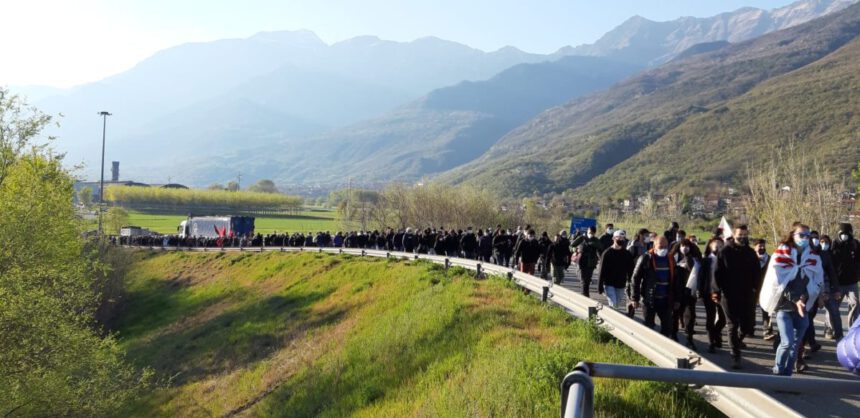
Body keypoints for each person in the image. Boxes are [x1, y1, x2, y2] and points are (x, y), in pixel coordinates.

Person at [759, 224, 824, 376]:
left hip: (803, 309)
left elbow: (816, 281)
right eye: (801, 235)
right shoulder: (781, 254)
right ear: (792, 235)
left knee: (796, 345)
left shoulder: (813, 257)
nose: (805, 238)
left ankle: (787, 375)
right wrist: (796, 300)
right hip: (784, 308)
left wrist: (811, 297)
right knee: (787, 342)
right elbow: (779, 284)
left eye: (808, 236)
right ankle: (778, 370)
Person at [714, 225, 759, 369]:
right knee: (732, 324)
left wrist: (755, 290)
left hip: (747, 294)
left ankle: (738, 340)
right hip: (728, 295)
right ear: (734, 235)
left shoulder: (751, 253)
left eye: (745, 234)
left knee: (748, 325)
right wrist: (717, 291)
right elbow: (716, 273)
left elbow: (757, 274)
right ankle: (735, 355)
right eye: (740, 234)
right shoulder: (724, 252)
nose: (742, 237)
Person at [631, 236, 684, 339]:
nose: (663, 249)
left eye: (665, 246)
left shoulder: (670, 258)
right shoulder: (646, 258)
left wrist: (677, 299)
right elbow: (635, 278)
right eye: (661, 246)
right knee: (649, 326)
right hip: (650, 299)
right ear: (654, 245)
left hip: (666, 299)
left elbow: (676, 281)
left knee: (668, 327)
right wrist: (634, 297)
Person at [829, 223, 860, 341]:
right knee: (834, 307)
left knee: (855, 303)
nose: (844, 236)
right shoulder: (834, 245)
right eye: (842, 234)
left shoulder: (855, 244)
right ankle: (830, 328)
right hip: (838, 282)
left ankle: (852, 329)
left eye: (847, 234)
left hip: (852, 282)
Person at [697, 238, 727, 353]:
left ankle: (716, 332)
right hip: (708, 292)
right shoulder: (706, 260)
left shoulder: (726, 259)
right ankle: (711, 342)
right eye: (716, 245)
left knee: (723, 318)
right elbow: (701, 277)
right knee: (710, 317)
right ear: (710, 246)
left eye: (721, 245)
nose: (718, 247)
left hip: (722, 293)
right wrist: (699, 291)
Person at [597, 230, 634, 310]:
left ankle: (608, 317)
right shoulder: (607, 253)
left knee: (616, 305)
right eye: (618, 237)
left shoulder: (627, 254)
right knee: (613, 304)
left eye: (622, 238)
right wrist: (599, 286)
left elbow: (631, 270)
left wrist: (631, 284)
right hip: (609, 283)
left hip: (621, 284)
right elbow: (601, 270)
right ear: (613, 238)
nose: (620, 239)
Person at [676, 239, 702, 350]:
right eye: (682, 245)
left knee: (690, 315)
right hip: (676, 291)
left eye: (687, 246)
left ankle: (689, 338)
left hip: (689, 292)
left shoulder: (695, 260)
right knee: (675, 315)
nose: (685, 248)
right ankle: (673, 336)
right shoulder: (673, 257)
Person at [570, 226, 603, 297]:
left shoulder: (595, 240)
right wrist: (581, 238)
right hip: (581, 262)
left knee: (587, 280)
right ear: (587, 231)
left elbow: (600, 247)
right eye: (589, 232)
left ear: (594, 233)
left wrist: (590, 241)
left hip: (590, 263)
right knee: (583, 280)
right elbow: (573, 244)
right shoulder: (582, 238)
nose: (590, 233)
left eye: (592, 232)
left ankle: (585, 294)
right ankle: (584, 295)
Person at [753, 239, 775, 340]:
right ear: (754, 247)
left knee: (766, 309)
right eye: (759, 246)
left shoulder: (770, 259)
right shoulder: (750, 258)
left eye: (763, 246)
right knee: (750, 310)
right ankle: (749, 328)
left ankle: (767, 330)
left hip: (766, 288)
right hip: (752, 288)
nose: (762, 248)